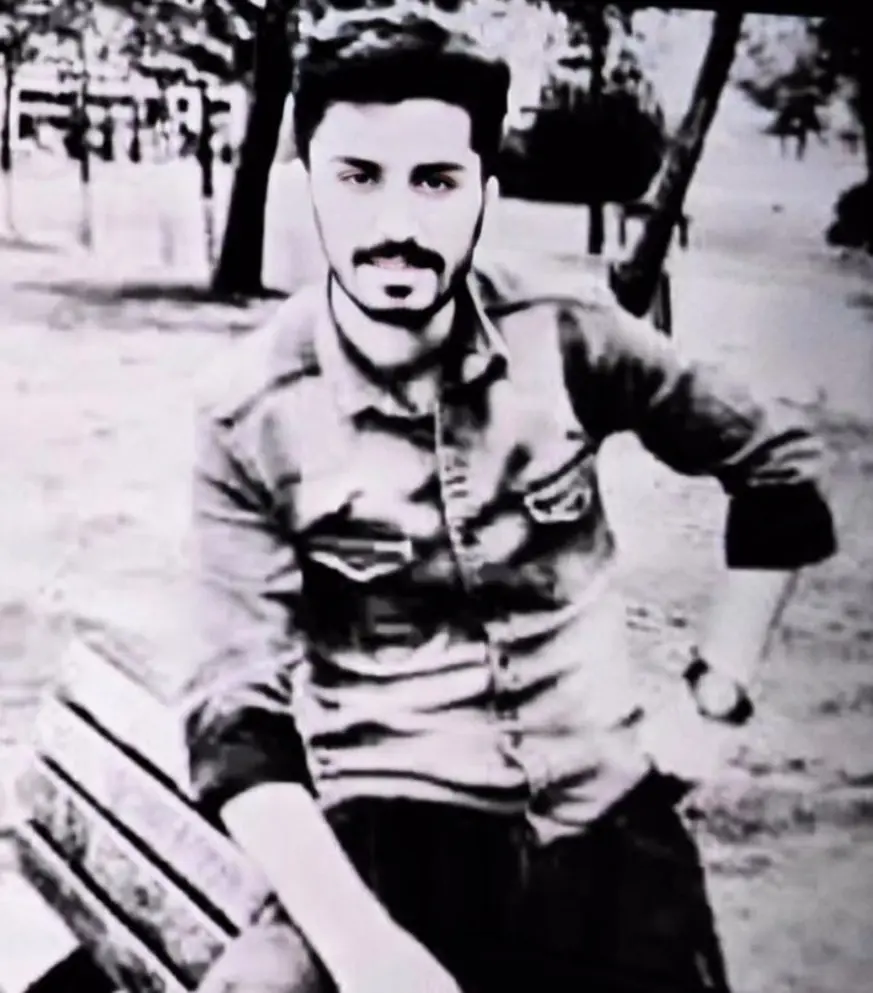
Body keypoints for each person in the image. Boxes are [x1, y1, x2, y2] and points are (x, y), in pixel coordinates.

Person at [182, 5, 837, 993]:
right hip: (383, 843)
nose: (396, 225)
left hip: (603, 835)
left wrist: (714, 698)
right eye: (357, 177)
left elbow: (776, 463)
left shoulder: (566, 336)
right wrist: (369, 955)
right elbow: (235, 725)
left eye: (435, 181)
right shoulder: (248, 411)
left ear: (485, 191)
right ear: (306, 181)